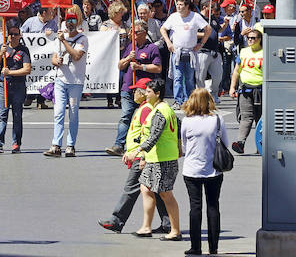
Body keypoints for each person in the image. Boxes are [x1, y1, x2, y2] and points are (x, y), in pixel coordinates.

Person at [98, 79, 171, 235]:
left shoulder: (145, 110)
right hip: (142, 155)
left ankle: (117, 220)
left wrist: (141, 155)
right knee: (156, 190)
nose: (133, 93)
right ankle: (168, 223)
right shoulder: (143, 108)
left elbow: (148, 135)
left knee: (131, 188)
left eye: (136, 90)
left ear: (145, 93)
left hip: (142, 157)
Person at [124, 78, 182, 240]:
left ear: (157, 93)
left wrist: (136, 152)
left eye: (149, 92)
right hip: (154, 158)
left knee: (165, 194)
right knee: (146, 188)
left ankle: (175, 231)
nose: (146, 94)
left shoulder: (160, 112)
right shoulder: (162, 109)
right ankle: (146, 227)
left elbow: (153, 137)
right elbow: (178, 125)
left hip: (162, 159)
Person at [181, 88, 229, 256]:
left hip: (192, 169)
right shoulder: (217, 119)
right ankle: (213, 247)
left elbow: (184, 146)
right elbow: (225, 143)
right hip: (214, 169)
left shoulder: (187, 121)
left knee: (195, 207)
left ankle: (196, 247)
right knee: (213, 206)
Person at [107, 22, 162, 156]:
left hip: (145, 89)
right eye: (132, 31)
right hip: (128, 87)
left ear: (144, 32)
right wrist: (128, 58)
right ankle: (119, 145)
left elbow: (158, 68)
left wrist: (141, 67)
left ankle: (147, 144)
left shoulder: (152, 48)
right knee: (125, 117)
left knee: (147, 118)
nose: (133, 34)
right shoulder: (129, 47)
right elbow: (120, 66)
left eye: (136, 32)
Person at [44, 13, 88, 158]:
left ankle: (70, 145)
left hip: (75, 82)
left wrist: (64, 42)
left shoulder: (82, 39)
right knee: (58, 112)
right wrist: (57, 61)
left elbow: (76, 56)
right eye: (68, 21)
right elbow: (54, 59)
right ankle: (56, 144)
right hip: (61, 80)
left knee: (73, 114)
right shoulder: (60, 39)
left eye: (73, 21)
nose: (70, 23)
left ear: (77, 22)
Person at [160, 0, 211, 108]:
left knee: (189, 78)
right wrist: (168, 42)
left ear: (187, 6)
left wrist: (201, 44)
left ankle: (189, 101)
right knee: (177, 77)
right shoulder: (173, 17)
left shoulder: (195, 16)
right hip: (177, 52)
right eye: (177, 4)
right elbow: (163, 29)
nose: (178, 6)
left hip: (191, 52)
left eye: (181, 4)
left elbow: (208, 29)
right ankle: (178, 101)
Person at [0, 26, 31, 154]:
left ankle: (16, 143)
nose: (12, 36)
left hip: (18, 86)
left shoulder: (23, 50)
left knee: (17, 116)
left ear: (20, 36)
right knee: (2, 115)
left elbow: (27, 69)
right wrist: (1, 54)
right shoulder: (3, 47)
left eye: (15, 34)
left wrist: (10, 72)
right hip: (3, 85)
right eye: (10, 34)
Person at [229, 26, 263, 154]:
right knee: (246, 117)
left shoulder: (265, 52)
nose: (250, 40)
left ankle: (261, 146)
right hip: (245, 90)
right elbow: (236, 71)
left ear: (260, 39)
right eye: (248, 38)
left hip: (261, 90)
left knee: (261, 119)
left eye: (253, 38)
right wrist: (232, 87)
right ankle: (240, 143)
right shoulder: (243, 52)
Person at [101, 0, 130, 109]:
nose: (122, 14)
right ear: (114, 12)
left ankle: (119, 98)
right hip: (110, 55)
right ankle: (109, 99)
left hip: (122, 53)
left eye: (123, 12)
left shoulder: (123, 24)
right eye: (120, 12)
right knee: (110, 76)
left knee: (121, 76)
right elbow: (101, 38)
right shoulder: (105, 24)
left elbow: (128, 38)